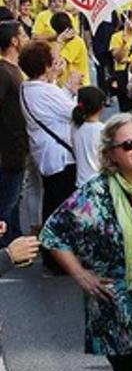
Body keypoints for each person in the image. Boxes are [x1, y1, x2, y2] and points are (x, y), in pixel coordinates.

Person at [41, 113, 132, 371]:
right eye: (128, 145)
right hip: (119, 312)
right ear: (112, 154)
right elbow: (53, 233)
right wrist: (81, 275)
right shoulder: (95, 193)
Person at [20, 39, 82, 235]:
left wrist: (58, 83)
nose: (58, 62)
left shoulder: (28, 87)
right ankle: (55, 252)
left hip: (47, 154)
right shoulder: (45, 90)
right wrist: (73, 90)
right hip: (59, 157)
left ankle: (52, 251)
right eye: (54, 59)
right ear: (46, 65)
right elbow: (75, 113)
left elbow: (55, 108)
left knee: (54, 203)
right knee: (59, 207)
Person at [0, 21, 29, 245]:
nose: (27, 37)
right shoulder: (3, 72)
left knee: (14, 198)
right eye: (23, 34)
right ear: (14, 41)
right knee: (7, 202)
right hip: (7, 150)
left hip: (17, 148)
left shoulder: (15, 69)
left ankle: (15, 240)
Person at [71, 86, 107, 186]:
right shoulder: (103, 130)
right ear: (101, 106)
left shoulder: (75, 126)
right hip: (98, 183)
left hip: (80, 182)